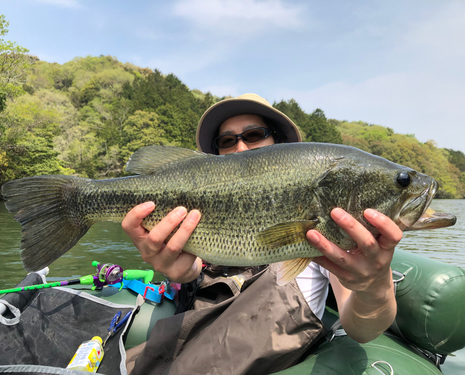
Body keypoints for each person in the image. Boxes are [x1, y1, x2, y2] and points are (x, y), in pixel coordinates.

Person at [122, 94, 400, 374]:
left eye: (254, 135)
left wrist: (374, 286)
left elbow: (362, 330)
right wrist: (179, 273)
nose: (241, 148)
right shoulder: (200, 204)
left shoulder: (330, 225)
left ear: (280, 145)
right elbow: (190, 268)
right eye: (226, 141)